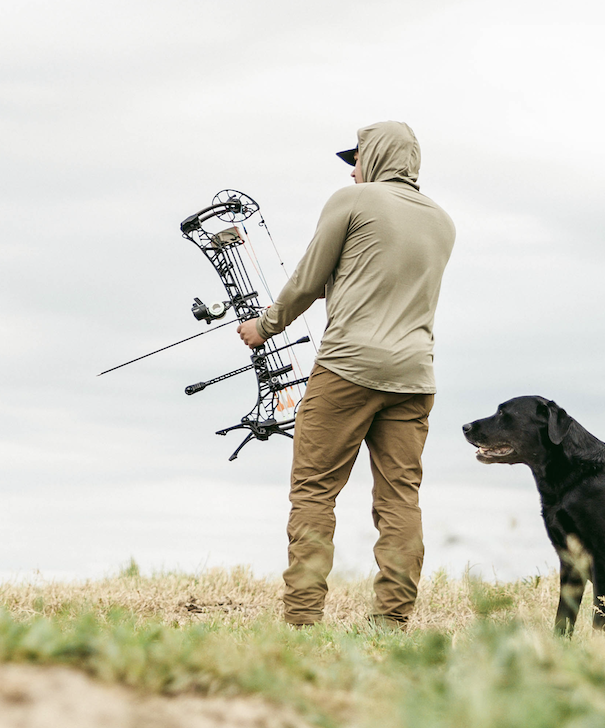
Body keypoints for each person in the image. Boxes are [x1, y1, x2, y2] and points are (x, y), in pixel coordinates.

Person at [237, 121, 456, 627]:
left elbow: (308, 279)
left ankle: (302, 620)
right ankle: (393, 621)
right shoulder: (443, 221)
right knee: (401, 497)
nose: (353, 170)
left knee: (314, 490)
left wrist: (264, 327)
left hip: (347, 368)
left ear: (377, 157)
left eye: (356, 159)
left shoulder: (351, 201)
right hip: (415, 378)